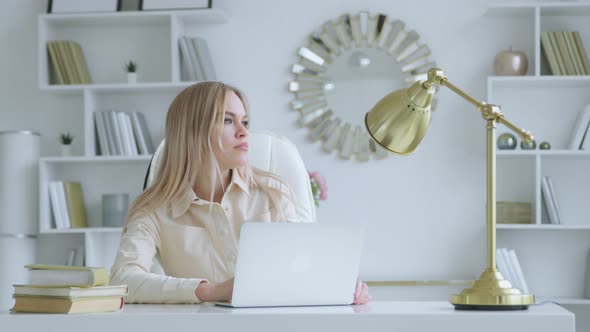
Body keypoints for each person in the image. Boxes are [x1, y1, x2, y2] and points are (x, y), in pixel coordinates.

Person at [110, 81, 370, 305]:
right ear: (193, 132)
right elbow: (122, 280)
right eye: (227, 120)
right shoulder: (153, 210)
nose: (244, 131)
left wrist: (339, 283)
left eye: (244, 121)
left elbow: (304, 266)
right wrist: (209, 291)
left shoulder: (273, 194)